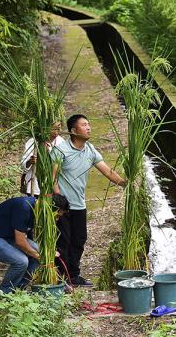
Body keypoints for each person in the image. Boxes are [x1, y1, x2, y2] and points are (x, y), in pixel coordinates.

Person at [52, 114, 126, 287]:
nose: (89, 127)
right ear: (73, 130)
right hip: (63, 206)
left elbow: (108, 172)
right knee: (63, 241)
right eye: (84, 125)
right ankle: (62, 276)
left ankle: (73, 275)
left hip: (79, 205)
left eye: (89, 124)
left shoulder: (90, 150)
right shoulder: (61, 150)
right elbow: (52, 177)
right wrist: (59, 199)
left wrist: (124, 183)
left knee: (79, 240)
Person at [0, 194, 70, 294]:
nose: (56, 220)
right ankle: (5, 292)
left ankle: (19, 289)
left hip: (9, 236)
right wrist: (40, 257)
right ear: (51, 208)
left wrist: (45, 254)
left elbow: (26, 236)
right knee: (21, 261)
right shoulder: (24, 208)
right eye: (57, 216)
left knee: (39, 251)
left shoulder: (40, 210)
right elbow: (20, 241)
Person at [20, 121, 65, 196]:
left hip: (54, 186)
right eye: (54, 129)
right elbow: (23, 164)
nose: (57, 132)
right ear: (45, 129)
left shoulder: (61, 142)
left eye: (59, 129)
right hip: (35, 186)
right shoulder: (33, 141)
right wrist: (31, 161)